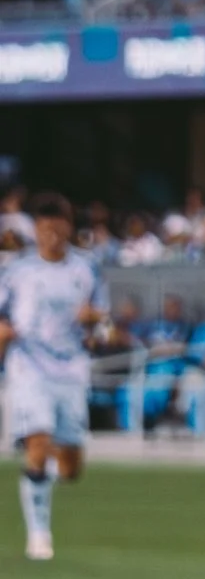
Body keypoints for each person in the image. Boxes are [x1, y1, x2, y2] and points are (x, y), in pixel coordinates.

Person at [0, 194, 105, 560]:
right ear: (37, 231)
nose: (52, 237)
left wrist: (96, 321)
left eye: (58, 230)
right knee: (39, 438)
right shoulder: (16, 271)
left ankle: (38, 478)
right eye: (45, 230)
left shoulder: (87, 269)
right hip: (29, 365)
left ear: (69, 229)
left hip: (71, 369)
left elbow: (104, 326)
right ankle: (39, 536)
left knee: (71, 467)